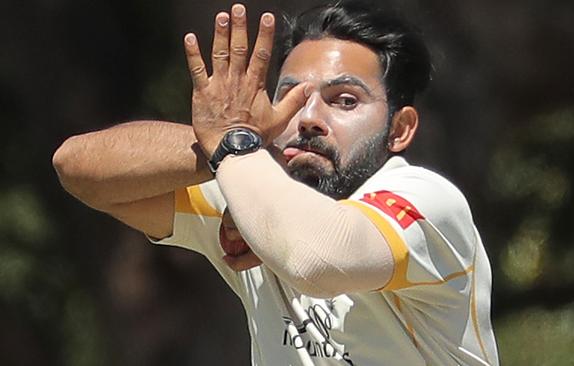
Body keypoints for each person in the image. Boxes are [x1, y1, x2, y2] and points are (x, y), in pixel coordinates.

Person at [53, 1, 499, 365]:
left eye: (344, 101)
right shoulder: (251, 182)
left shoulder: (428, 201)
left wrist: (234, 148)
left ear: (400, 130)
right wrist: (230, 142)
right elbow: (78, 167)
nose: (308, 120)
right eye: (290, 98)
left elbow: (316, 257)